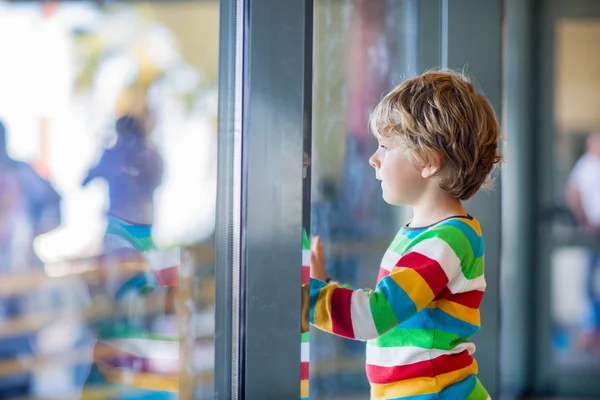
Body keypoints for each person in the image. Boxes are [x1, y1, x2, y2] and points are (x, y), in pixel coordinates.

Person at [303, 70, 502, 400]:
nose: (373, 159)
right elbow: (387, 306)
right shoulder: (425, 235)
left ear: (427, 160)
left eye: (385, 146)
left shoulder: (447, 241)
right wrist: (325, 288)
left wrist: (309, 298)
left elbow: (375, 316)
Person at [565, 132, 600, 350]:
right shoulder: (586, 165)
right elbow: (573, 191)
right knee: (588, 282)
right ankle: (591, 328)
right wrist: (583, 218)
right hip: (591, 232)